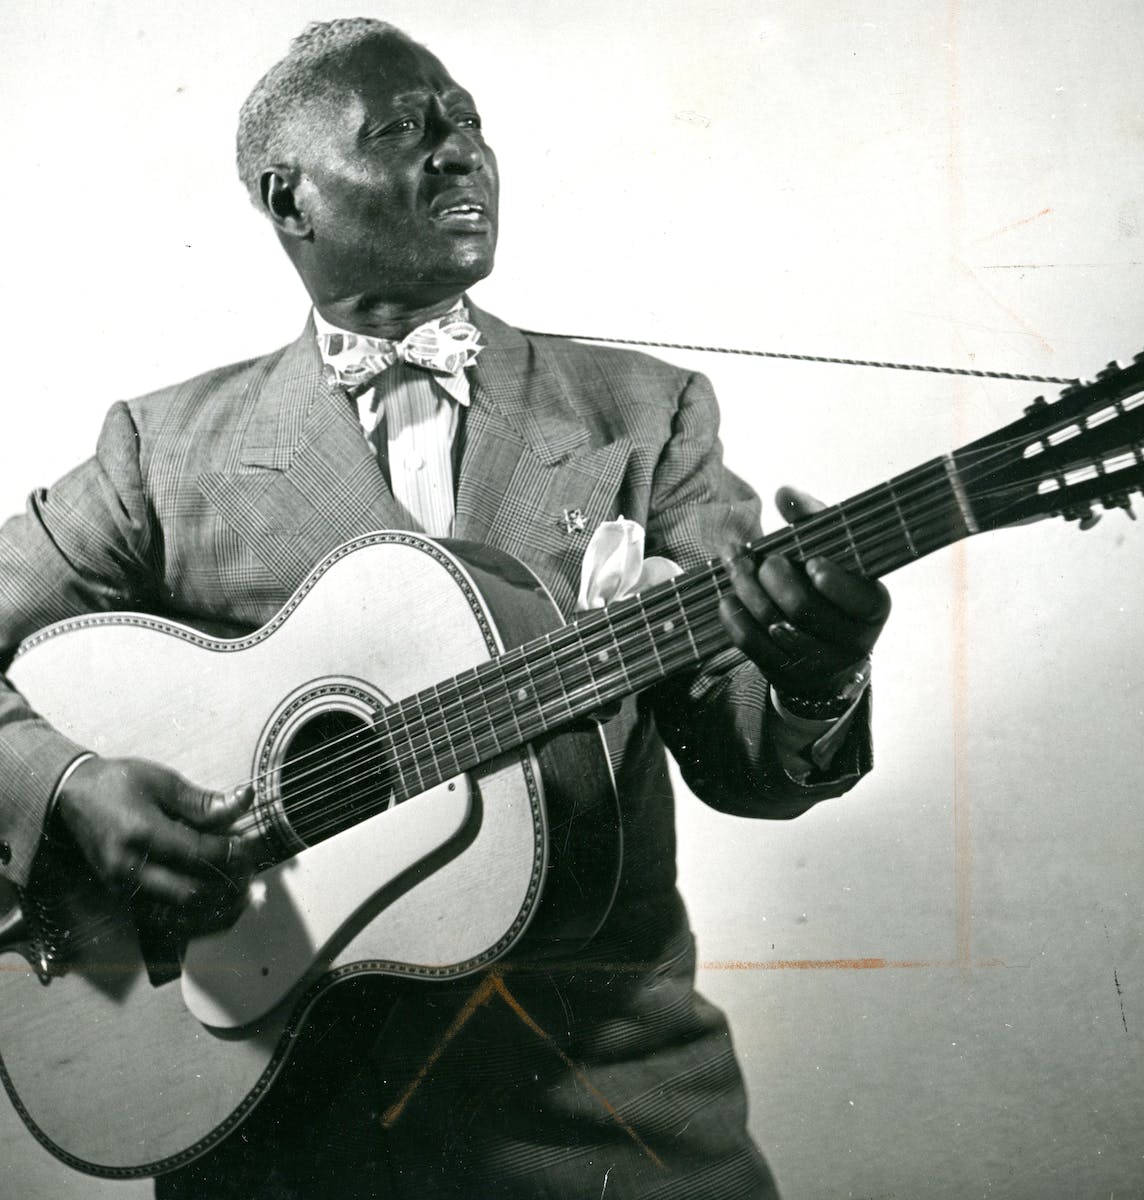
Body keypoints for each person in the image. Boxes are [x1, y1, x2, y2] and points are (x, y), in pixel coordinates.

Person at [0, 18, 889, 1199]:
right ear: (289, 197)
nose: (460, 152)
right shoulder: (161, 453)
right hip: (275, 1128)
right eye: (405, 130)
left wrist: (813, 677)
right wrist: (63, 785)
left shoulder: (647, 412)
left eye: (467, 121)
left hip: (607, 1118)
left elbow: (746, 766)